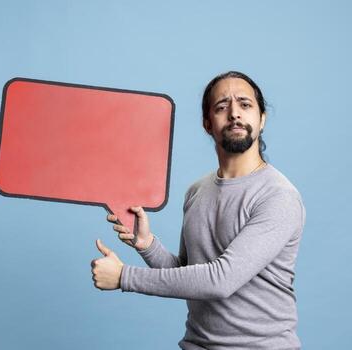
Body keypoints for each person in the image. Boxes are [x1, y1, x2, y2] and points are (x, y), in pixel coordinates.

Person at [90, 71, 306, 350]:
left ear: (262, 119)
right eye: (221, 107)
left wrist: (124, 277)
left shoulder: (278, 196)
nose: (234, 114)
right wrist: (147, 245)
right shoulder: (197, 191)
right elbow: (190, 275)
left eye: (245, 104)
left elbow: (220, 279)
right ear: (207, 124)